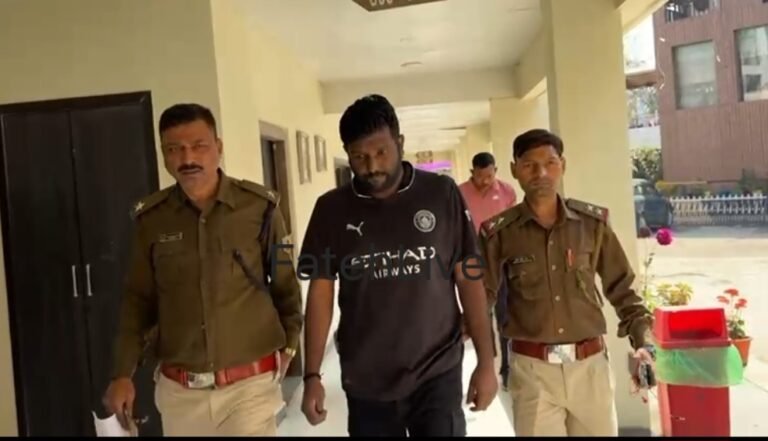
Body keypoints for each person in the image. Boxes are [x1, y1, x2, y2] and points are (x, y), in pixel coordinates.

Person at [297, 94, 497, 437]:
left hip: (437, 370)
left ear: (400, 143)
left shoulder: (441, 193)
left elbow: (468, 277)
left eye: (381, 152)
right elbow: (320, 293)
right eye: (359, 157)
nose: (372, 166)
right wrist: (312, 375)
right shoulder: (331, 209)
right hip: (366, 378)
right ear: (347, 153)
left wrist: (486, 362)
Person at [102, 103, 303, 436]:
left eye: (199, 146)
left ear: (218, 148)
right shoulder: (152, 220)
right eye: (174, 149)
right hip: (181, 395)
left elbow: (286, 285)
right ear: (163, 156)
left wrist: (290, 346)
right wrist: (122, 372)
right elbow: (138, 301)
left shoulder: (260, 208)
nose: (188, 158)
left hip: (249, 389)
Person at [478, 128, 655, 436]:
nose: (541, 173)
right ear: (514, 170)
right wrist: (484, 364)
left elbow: (623, 289)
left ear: (563, 165)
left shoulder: (592, 224)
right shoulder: (499, 233)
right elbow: (482, 300)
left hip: (590, 369)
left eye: (550, 163)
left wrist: (644, 343)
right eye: (529, 165)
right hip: (532, 373)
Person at [458, 152, 517, 390]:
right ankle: (488, 364)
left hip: (502, 261)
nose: (485, 181)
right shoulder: (460, 193)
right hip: (474, 262)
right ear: (472, 172)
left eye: (489, 176)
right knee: (481, 314)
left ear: (496, 171)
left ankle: (507, 368)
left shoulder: (507, 192)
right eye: (480, 176)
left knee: (505, 314)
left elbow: (512, 225)